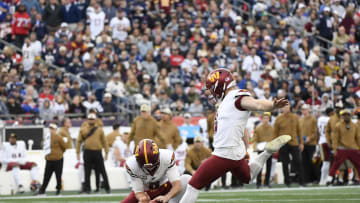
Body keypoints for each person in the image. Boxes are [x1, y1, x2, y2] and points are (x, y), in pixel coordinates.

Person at [179, 69, 290, 203]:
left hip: (224, 153)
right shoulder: (227, 102)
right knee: (247, 177)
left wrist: (272, 105)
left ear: (219, 85)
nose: (211, 92)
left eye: (211, 88)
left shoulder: (237, 96)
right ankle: (267, 152)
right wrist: (245, 149)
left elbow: (257, 104)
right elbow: (241, 128)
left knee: (193, 185)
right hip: (234, 152)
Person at [121, 139, 191, 203]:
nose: (150, 169)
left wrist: (167, 197)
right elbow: (138, 191)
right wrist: (143, 198)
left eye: (153, 165)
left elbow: (177, 184)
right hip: (146, 191)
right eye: (146, 167)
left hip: (164, 187)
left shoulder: (167, 157)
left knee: (186, 179)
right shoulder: (131, 165)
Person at [76, 113, 110, 194]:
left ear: (95, 120)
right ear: (87, 120)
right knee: (87, 171)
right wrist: (77, 152)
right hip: (87, 152)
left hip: (97, 152)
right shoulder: (83, 129)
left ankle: (107, 187)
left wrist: (106, 152)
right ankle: (87, 188)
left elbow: (104, 141)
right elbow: (79, 141)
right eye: (90, 119)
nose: (91, 120)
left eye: (92, 119)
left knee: (102, 170)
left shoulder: (99, 129)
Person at [273, 105, 305, 187]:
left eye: (287, 107)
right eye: (284, 107)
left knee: (298, 162)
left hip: (294, 142)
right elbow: (275, 133)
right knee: (285, 163)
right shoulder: (278, 119)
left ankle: (301, 181)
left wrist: (301, 143)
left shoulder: (295, 117)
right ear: (281, 109)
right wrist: (275, 145)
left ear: (290, 108)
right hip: (283, 144)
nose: (286, 109)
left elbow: (299, 131)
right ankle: (287, 182)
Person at [326, 109, 360, 185]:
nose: (346, 117)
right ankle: (329, 179)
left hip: (352, 148)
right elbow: (335, 139)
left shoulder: (355, 125)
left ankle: (356, 178)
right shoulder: (338, 126)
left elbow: (358, 137)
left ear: (350, 116)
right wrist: (335, 149)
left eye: (348, 115)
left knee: (358, 164)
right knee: (336, 164)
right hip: (342, 148)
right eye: (345, 115)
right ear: (342, 116)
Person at [38, 123, 68, 195]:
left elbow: (64, 147)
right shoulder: (47, 138)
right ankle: (42, 190)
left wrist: (59, 153)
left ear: (55, 130)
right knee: (46, 176)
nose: (51, 130)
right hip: (49, 159)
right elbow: (43, 146)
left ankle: (58, 189)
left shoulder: (59, 137)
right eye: (50, 129)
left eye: (53, 129)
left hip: (58, 159)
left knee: (58, 175)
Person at [252, 112, 273, 188]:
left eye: (267, 118)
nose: (265, 120)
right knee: (259, 167)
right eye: (264, 118)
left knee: (269, 167)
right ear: (262, 119)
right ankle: (258, 183)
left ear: (269, 119)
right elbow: (255, 139)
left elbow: (274, 139)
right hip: (261, 150)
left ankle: (267, 183)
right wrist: (255, 147)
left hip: (269, 150)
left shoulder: (272, 128)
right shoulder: (258, 128)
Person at [299, 104, 318, 184]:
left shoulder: (313, 119)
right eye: (303, 109)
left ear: (308, 110)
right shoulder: (300, 120)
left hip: (312, 144)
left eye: (305, 109)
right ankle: (306, 179)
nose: (304, 111)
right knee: (304, 162)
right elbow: (299, 132)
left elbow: (315, 132)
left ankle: (316, 178)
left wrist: (310, 138)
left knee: (313, 161)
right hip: (303, 144)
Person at [318, 108, 334, 185]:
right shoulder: (330, 119)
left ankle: (323, 180)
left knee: (325, 162)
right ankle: (324, 180)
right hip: (328, 142)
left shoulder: (320, 119)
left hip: (321, 141)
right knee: (327, 162)